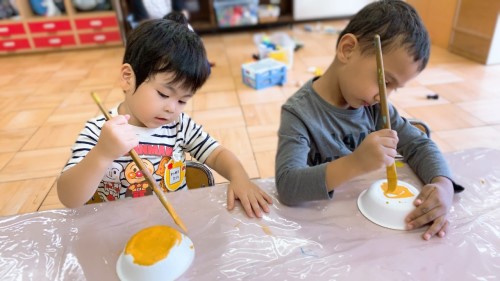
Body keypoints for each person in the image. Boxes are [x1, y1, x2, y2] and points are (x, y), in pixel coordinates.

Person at [275, 0, 463, 240]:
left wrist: (443, 186)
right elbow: (287, 186)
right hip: (323, 235)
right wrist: (355, 163)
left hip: (375, 231)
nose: (383, 97)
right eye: (385, 82)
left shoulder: (376, 109)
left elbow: (419, 145)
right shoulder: (299, 114)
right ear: (347, 50)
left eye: (395, 88)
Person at [57, 18, 272, 218]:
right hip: (117, 234)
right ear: (127, 78)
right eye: (163, 94)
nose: (171, 108)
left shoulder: (180, 125)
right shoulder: (100, 132)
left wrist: (240, 177)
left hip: (173, 226)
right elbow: (69, 198)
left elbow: (217, 154)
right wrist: (102, 154)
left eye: (182, 101)